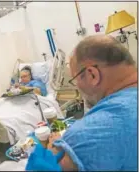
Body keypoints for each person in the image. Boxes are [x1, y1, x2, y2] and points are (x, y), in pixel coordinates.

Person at [45, 35, 137, 171]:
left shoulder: (84, 137)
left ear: (92, 75)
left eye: (75, 80)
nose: (77, 87)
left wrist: (52, 151)